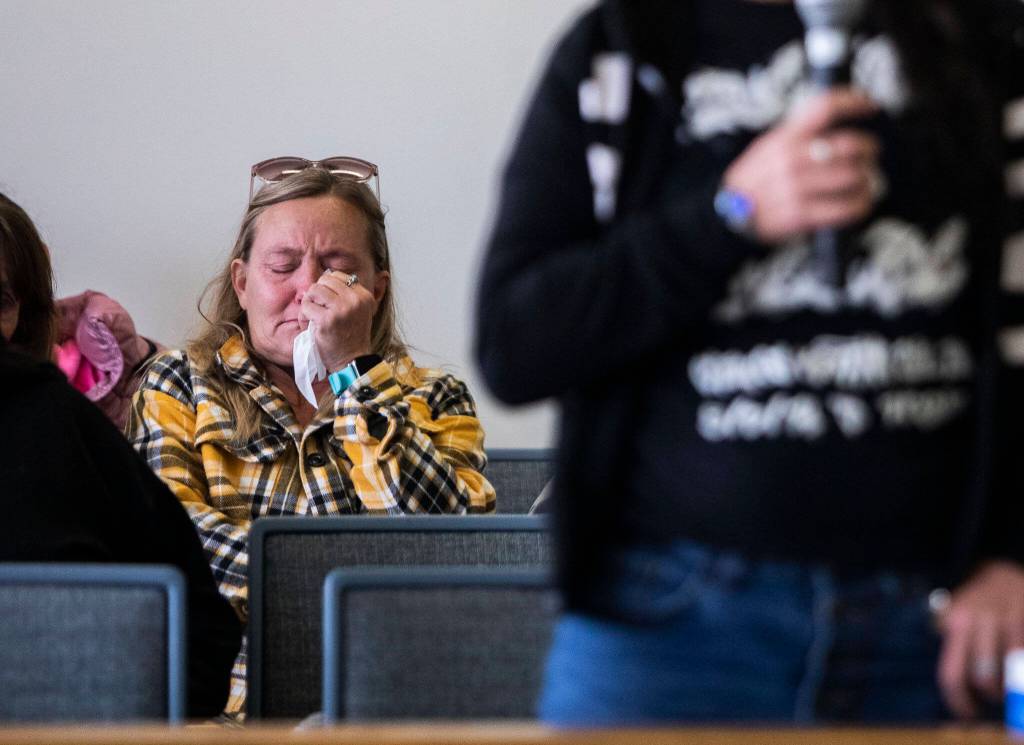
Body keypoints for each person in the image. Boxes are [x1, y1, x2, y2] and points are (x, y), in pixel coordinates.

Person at [476, 0, 1024, 725]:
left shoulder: (989, 46)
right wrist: (729, 214)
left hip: (936, 635)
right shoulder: (620, 52)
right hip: (668, 625)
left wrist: (1013, 555)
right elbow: (517, 342)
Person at [128, 160, 496, 716]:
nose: (307, 290)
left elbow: (455, 551)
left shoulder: (437, 396)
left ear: (375, 289)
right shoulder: (179, 383)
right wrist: (355, 595)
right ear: (242, 282)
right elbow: (175, 546)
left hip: (392, 709)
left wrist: (353, 371)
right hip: (225, 714)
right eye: (282, 266)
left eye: (336, 269)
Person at [0, 194, 241, 718]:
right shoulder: (62, 416)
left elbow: (202, 636)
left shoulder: (64, 420)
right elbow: (204, 650)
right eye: (283, 265)